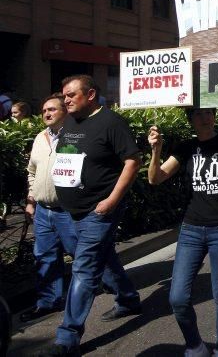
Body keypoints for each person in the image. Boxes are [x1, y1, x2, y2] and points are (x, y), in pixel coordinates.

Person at [148, 108, 218, 356]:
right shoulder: (186, 148)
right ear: (190, 120)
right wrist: (156, 151)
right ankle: (195, 345)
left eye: (209, 112)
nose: (205, 118)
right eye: (199, 114)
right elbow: (156, 178)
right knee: (177, 297)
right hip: (191, 229)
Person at [41, 75, 142, 356]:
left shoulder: (112, 123)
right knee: (103, 255)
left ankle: (67, 337)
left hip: (99, 210)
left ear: (91, 95)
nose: (66, 100)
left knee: (83, 268)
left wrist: (111, 200)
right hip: (72, 209)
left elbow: (133, 161)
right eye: (64, 96)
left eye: (72, 95)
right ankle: (129, 298)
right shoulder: (72, 120)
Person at [21, 94, 77, 323]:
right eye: (44, 110)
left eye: (52, 109)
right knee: (45, 258)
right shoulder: (39, 138)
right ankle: (48, 302)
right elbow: (32, 172)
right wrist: (31, 200)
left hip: (69, 212)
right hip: (43, 211)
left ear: (65, 111)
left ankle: (118, 290)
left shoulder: (77, 135)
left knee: (84, 255)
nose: (46, 113)